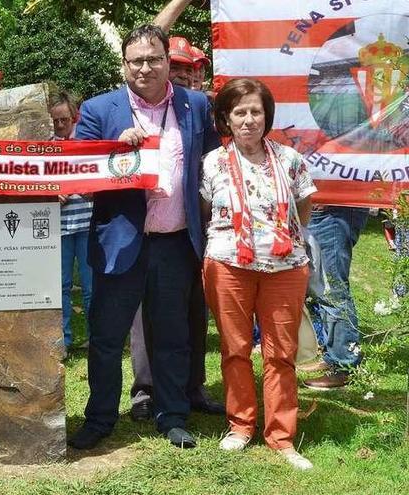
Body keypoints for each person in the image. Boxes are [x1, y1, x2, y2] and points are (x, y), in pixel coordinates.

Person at [67, 24, 220, 451]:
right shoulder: (100, 110)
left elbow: (211, 169)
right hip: (120, 243)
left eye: (155, 59)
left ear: (169, 62)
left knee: (172, 335)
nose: (146, 68)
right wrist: (114, 150)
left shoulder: (195, 105)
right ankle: (99, 419)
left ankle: (172, 416)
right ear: (124, 65)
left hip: (175, 242)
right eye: (137, 60)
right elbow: (80, 177)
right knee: (105, 338)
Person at [200, 78, 316, 470]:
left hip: (284, 269)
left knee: (280, 354)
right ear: (226, 119)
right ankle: (241, 425)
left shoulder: (290, 159)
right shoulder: (212, 162)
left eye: (256, 111)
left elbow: (304, 208)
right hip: (228, 266)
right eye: (240, 112)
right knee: (234, 349)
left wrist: (278, 238)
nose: (249, 119)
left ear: (267, 116)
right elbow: (206, 213)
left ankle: (281, 436)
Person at [127, 33, 226, 420]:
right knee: (144, 318)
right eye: (179, 68)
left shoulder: (199, 107)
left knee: (192, 313)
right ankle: (146, 390)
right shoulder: (126, 105)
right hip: (139, 233)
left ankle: (192, 386)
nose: (182, 76)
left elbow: (213, 162)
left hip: (190, 232)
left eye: (188, 69)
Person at [302, 206, 368, 389]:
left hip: (334, 212)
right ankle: (333, 357)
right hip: (324, 211)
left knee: (333, 291)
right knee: (323, 289)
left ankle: (345, 366)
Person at [50, 93, 92, 348]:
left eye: (64, 119)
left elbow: (104, 176)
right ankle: (63, 340)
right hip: (60, 227)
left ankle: (94, 337)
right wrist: (51, 194)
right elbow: (36, 181)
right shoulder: (44, 146)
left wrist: (93, 190)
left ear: (74, 116)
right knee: (60, 285)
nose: (60, 125)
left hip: (87, 224)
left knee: (91, 286)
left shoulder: (87, 143)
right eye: (54, 121)